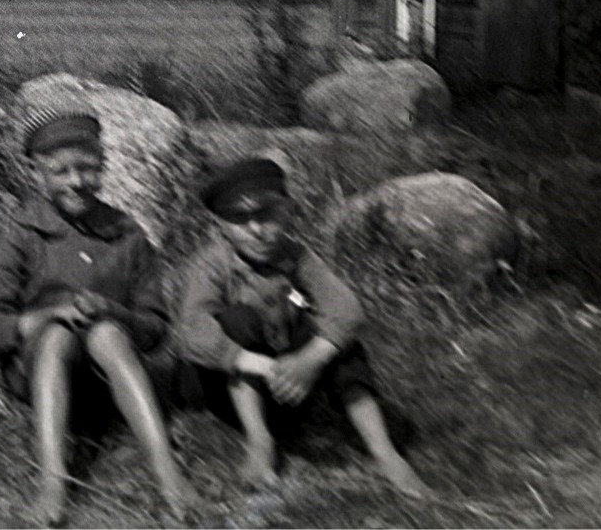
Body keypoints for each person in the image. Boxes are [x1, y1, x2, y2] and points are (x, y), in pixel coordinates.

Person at [0, 108, 196, 526]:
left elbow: (155, 328)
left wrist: (114, 311)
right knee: (58, 335)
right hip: (39, 373)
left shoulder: (126, 234)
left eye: (88, 169)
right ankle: (53, 482)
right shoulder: (24, 233)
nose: (76, 181)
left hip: (111, 378)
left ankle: (167, 474)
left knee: (106, 332)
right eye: (61, 171)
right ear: (39, 174)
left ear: (104, 167)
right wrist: (46, 316)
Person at [175, 157, 428, 498]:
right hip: (228, 388)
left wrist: (311, 359)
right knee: (239, 320)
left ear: (287, 210)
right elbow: (192, 329)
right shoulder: (211, 265)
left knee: (344, 343)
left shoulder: (296, 256)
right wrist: (268, 367)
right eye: (239, 219)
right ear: (219, 225)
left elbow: (347, 309)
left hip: (291, 384)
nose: (256, 230)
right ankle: (259, 441)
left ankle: (385, 453)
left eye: (266, 214)